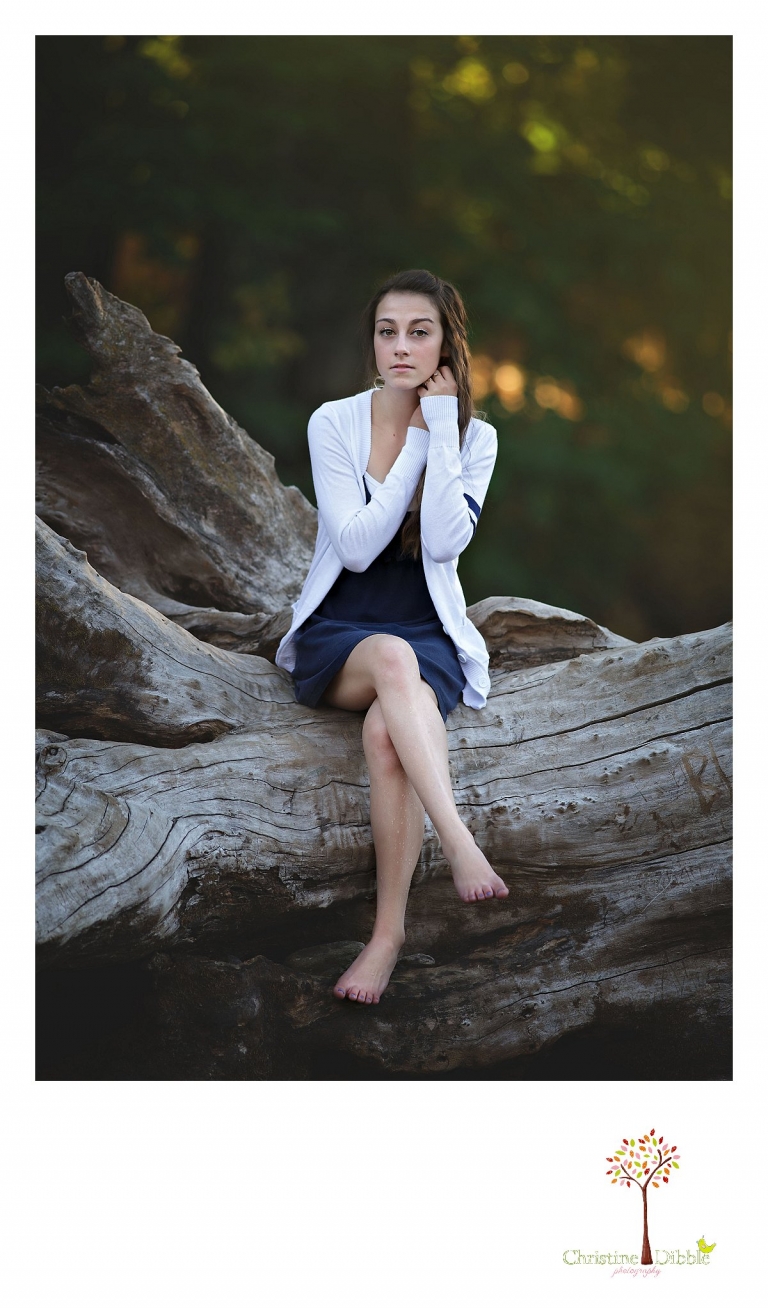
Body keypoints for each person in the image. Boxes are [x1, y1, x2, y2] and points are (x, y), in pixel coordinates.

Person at [275, 268, 509, 1005]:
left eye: (419, 331)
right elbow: (355, 548)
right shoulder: (333, 421)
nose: (400, 347)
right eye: (387, 332)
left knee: (387, 735)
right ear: (371, 343)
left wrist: (440, 432)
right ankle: (460, 839)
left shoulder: (477, 436)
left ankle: (388, 935)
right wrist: (411, 446)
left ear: (446, 344)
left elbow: (442, 544)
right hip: (342, 629)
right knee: (388, 657)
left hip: (425, 628)